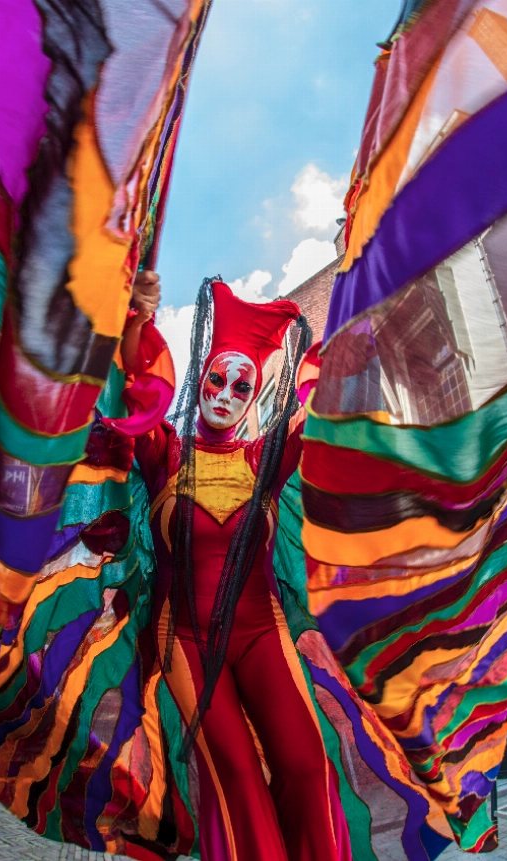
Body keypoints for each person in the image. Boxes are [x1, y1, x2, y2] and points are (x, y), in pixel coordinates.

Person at [115, 270, 346, 861]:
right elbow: (130, 384)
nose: (224, 394)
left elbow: (329, 395)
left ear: (252, 399)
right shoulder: (164, 451)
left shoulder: (268, 457)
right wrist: (134, 318)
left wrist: (366, 297)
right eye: (216, 378)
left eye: (240, 388)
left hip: (260, 631)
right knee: (236, 777)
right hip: (184, 639)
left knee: (306, 761)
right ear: (200, 379)